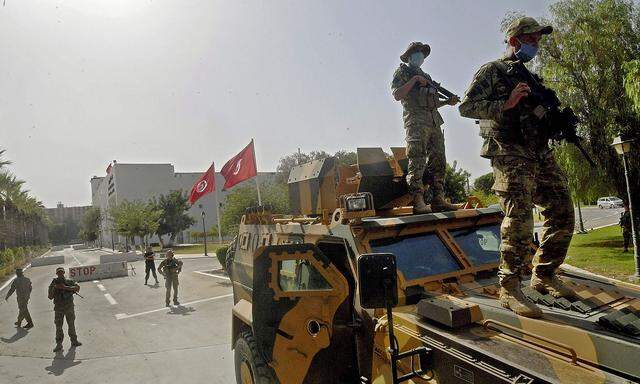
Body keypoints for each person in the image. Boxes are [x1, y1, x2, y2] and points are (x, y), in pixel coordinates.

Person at [459, 16, 575, 318]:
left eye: (538, 40)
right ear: (514, 41)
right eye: (532, 39)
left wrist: (556, 124)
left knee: (562, 210)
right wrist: (505, 104)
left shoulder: (532, 78)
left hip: (539, 152)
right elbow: (466, 107)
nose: (536, 45)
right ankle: (509, 288)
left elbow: (538, 114)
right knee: (520, 219)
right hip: (509, 152)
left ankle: (545, 274)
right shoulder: (493, 71)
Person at [391, 41, 460, 214]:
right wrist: (414, 80)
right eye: (417, 52)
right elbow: (397, 95)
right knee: (417, 160)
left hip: (434, 122)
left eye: (422, 53)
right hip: (416, 122)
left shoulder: (427, 77)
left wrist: (447, 101)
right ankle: (418, 200)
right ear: (409, 55)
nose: (420, 56)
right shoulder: (403, 72)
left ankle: (439, 198)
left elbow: (433, 103)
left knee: (439, 161)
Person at [48, 267, 82, 352]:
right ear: (56, 274)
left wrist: (65, 288)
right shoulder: (53, 283)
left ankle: (74, 341)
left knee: (71, 325)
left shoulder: (69, 281)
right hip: (58, 309)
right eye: (59, 273)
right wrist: (55, 288)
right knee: (58, 327)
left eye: (61, 273)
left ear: (64, 273)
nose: (60, 274)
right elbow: (50, 297)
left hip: (69, 307)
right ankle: (59, 344)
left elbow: (77, 288)